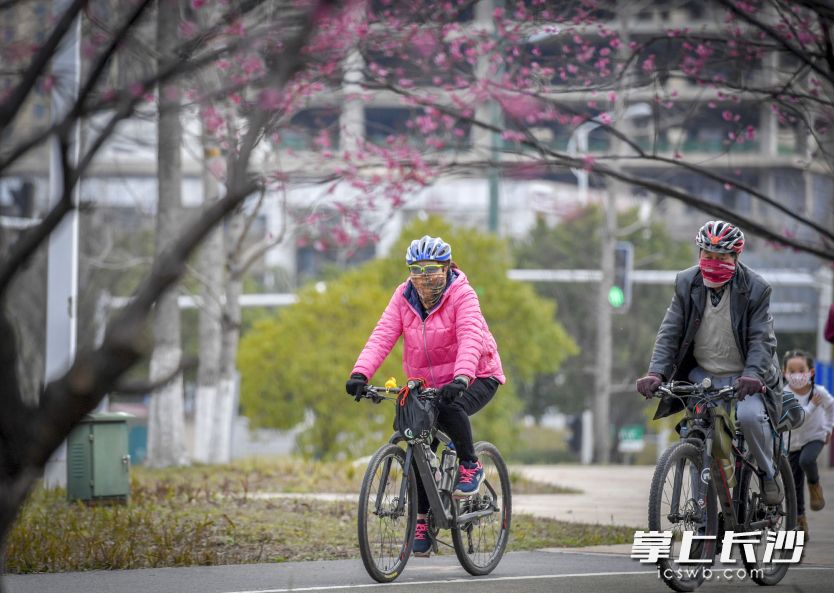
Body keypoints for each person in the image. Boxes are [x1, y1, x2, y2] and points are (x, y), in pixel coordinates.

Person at [345, 235, 505, 557]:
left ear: (446, 267)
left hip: (477, 374)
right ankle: (421, 520)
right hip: (428, 384)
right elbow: (383, 334)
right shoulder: (403, 296)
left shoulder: (462, 294)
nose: (424, 277)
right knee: (417, 440)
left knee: (451, 408)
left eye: (431, 269)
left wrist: (461, 377)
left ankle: (471, 466)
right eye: (416, 270)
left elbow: (471, 336)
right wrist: (360, 373)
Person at [636, 220, 786, 505]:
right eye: (707, 256)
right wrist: (656, 372)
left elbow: (761, 339)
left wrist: (753, 374)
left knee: (750, 417)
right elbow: (670, 331)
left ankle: (768, 473)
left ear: (736, 257)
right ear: (699, 255)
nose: (713, 262)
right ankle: (705, 509)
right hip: (703, 375)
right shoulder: (686, 282)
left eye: (722, 257)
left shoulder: (756, 289)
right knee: (698, 431)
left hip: (746, 378)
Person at [782, 349, 834, 539]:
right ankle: (800, 521)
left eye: (801, 370)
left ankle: (815, 485)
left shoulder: (818, 392)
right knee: (794, 486)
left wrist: (828, 428)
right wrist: (811, 405)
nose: (796, 375)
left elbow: (831, 407)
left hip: (815, 437)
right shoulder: (784, 395)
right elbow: (797, 417)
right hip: (792, 443)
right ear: (784, 371)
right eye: (792, 370)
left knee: (807, 460)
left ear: (811, 372)